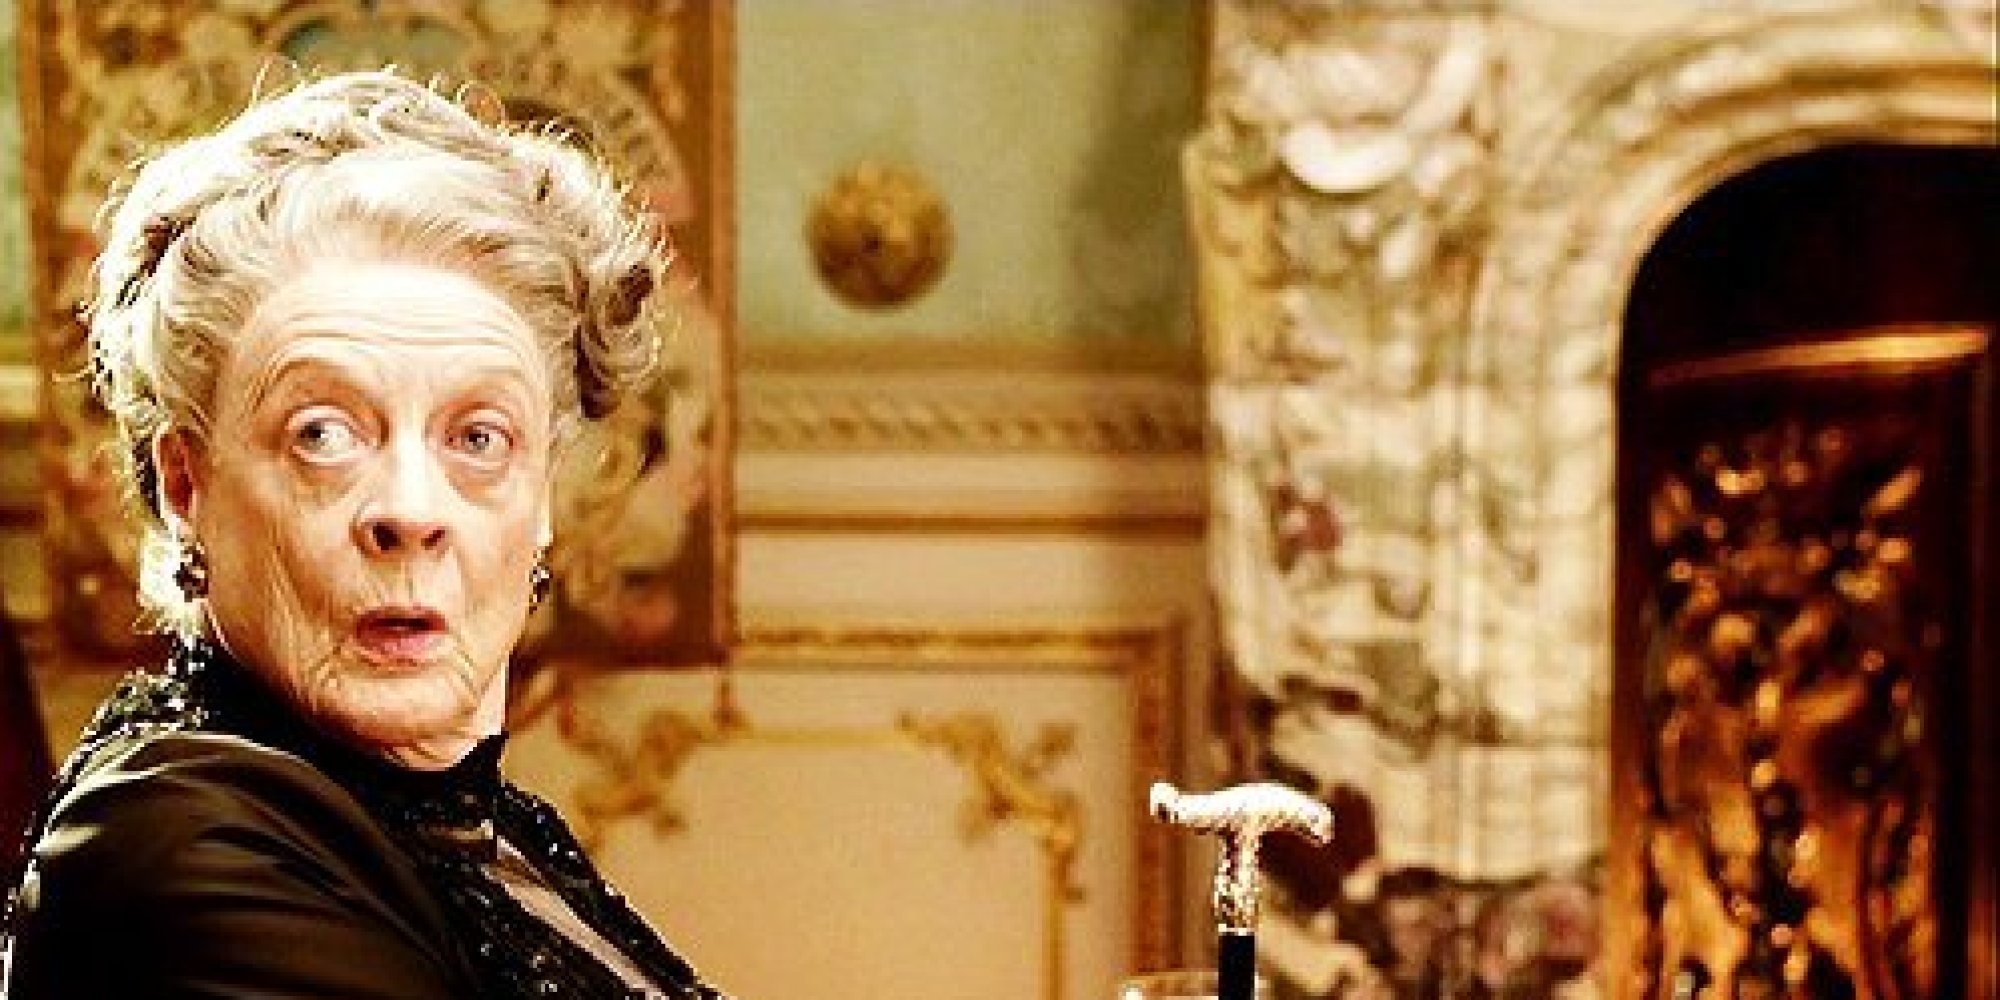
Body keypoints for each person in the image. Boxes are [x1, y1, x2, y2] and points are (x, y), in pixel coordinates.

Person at [0, 70, 727, 999]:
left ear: (542, 495)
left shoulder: (482, 832)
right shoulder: (181, 844)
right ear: (185, 487)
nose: (412, 511)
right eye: (323, 436)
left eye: (478, 439)